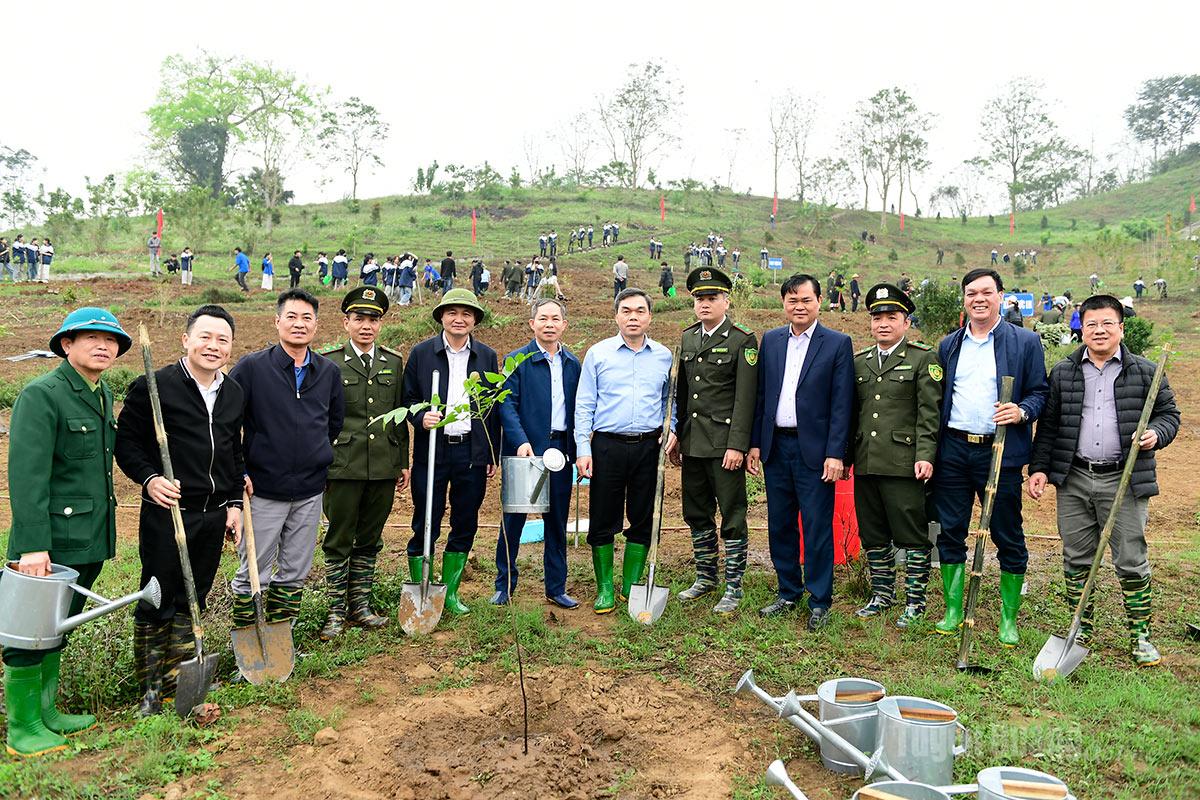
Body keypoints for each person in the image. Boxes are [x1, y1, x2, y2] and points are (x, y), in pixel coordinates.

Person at [4, 307, 131, 756]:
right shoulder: (43, 395)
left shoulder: (102, 392)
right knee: (29, 631)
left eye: (111, 340)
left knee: (58, 625)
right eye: (92, 338)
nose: (104, 346)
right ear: (66, 344)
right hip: (51, 541)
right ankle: (23, 728)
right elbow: (27, 476)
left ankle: (47, 712)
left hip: (88, 536)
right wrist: (33, 546)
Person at [1028, 294, 1180, 667]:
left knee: (1130, 558)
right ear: (1081, 329)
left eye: (1107, 323)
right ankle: (1081, 628)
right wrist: (1039, 468)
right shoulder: (1063, 372)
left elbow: (1169, 414)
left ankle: (1140, 635)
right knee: (1076, 556)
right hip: (1075, 478)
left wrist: (1156, 433)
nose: (1099, 330)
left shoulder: (1145, 371)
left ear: (1120, 329)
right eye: (1091, 324)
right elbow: (1049, 426)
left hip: (1125, 479)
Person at [115, 305, 244, 716]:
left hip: (213, 513)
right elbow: (126, 444)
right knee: (158, 597)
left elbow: (232, 453)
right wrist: (150, 479)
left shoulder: (233, 392)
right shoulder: (154, 387)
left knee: (195, 596)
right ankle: (150, 689)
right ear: (186, 340)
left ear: (230, 347)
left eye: (222, 339)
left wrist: (234, 504)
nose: (213, 346)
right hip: (168, 510)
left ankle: (179, 677)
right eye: (205, 337)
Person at [932, 268, 1048, 646]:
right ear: (964, 299)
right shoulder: (949, 345)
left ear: (1000, 295)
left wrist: (1021, 411)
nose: (978, 299)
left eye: (986, 292)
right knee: (950, 529)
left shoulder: (1025, 342)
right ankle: (953, 609)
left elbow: (1040, 392)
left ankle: (1008, 618)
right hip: (953, 450)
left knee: (1006, 532)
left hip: (1000, 451)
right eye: (971, 293)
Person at [229, 289, 345, 631]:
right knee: (254, 570)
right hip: (262, 489)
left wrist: (315, 455)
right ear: (277, 321)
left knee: (295, 570)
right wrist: (240, 470)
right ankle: (249, 640)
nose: (299, 324)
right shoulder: (252, 368)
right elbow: (227, 424)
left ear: (316, 325)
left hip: (309, 490)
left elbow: (334, 422)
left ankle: (281, 639)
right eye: (291, 317)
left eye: (307, 318)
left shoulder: (328, 372)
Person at [747, 274, 855, 630]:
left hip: (816, 452)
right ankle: (788, 591)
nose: (799, 306)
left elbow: (842, 404)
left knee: (816, 526)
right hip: (777, 447)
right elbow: (762, 396)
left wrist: (836, 453)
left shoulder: (837, 343)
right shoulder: (772, 340)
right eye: (792, 300)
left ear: (819, 301)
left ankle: (820, 600)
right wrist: (756, 443)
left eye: (806, 300)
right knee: (780, 524)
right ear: (783, 303)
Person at [317, 287, 409, 640]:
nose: (366, 326)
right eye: (359, 319)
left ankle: (361, 606)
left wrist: (402, 462)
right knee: (339, 537)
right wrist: (321, 463)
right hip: (343, 464)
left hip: (382, 465)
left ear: (380, 325)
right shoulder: (329, 362)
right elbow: (320, 418)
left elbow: (398, 416)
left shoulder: (393, 362)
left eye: (373, 320)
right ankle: (335, 611)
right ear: (346, 323)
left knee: (370, 537)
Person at [575, 288, 674, 614]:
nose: (633, 317)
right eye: (627, 311)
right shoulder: (598, 354)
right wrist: (583, 448)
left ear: (650, 316)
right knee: (603, 516)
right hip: (607, 446)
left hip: (649, 446)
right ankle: (605, 588)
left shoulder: (663, 356)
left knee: (644, 517)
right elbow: (584, 404)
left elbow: (670, 401)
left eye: (640, 311)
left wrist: (671, 428)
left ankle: (631, 586)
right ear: (616, 316)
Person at [402, 289, 500, 616]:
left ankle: (451, 592)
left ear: (475, 320)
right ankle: (422, 588)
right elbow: (407, 399)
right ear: (441, 317)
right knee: (426, 518)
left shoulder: (486, 357)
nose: (459, 319)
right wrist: (421, 416)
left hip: (470, 451)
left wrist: (490, 452)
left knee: (465, 520)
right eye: (452, 313)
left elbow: (491, 409)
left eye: (466, 314)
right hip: (433, 449)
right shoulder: (422, 353)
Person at [849, 285, 942, 628]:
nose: (883, 324)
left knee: (911, 534)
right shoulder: (859, 361)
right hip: (867, 460)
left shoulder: (922, 358)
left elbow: (929, 413)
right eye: (877, 318)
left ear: (906, 322)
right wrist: (846, 457)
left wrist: (925, 455)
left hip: (905, 463)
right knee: (873, 532)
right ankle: (882, 595)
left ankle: (915, 601)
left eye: (892, 317)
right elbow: (853, 413)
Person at [666, 268, 758, 613]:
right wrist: (677, 435)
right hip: (693, 443)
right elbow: (683, 394)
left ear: (726, 301)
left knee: (732, 514)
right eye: (699, 299)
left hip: (724, 445)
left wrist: (737, 445)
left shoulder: (742, 340)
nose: (705, 304)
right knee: (696, 511)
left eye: (712, 298)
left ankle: (733, 586)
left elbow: (745, 399)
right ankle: (706, 577)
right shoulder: (688, 338)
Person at [495, 299, 582, 609]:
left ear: (564, 325)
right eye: (543, 318)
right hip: (527, 451)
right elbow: (506, 405)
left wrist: (577, 451)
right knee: (514, 520)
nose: (549, 324)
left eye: (555, 319)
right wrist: (520, 441)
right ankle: (504, 585)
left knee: (556, 522)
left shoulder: (572, 364)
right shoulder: (516, 360)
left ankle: (556, 587)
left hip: (560, 452)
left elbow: (580, 408)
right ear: (532, 323)